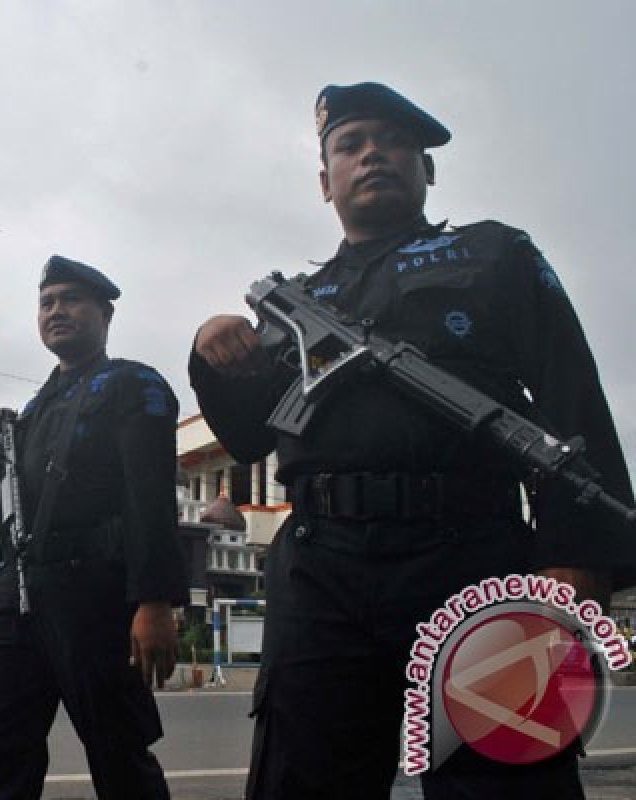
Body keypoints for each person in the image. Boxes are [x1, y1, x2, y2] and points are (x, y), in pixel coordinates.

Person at [190, 81, 635, 799]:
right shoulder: (296, 304)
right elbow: (247, 438)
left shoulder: (494, 255)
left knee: (505, 775)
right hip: (320, 570)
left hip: (473, 555)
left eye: (394, 142)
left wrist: (575, 554)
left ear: (427, 169)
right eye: (350, 145)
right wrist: (210, 352)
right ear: (324, 181)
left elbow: (570, 392)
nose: (373, 155)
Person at [0, 255, 188, 800]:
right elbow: (11, 521)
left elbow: (149, 499)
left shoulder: (134, 385)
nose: (56, 310)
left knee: (119, 756)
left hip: (97, 597)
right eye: (47, 302)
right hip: (20, 599)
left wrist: (154, 602)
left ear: (104, 315)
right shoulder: (31, 411)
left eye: (71, 299)